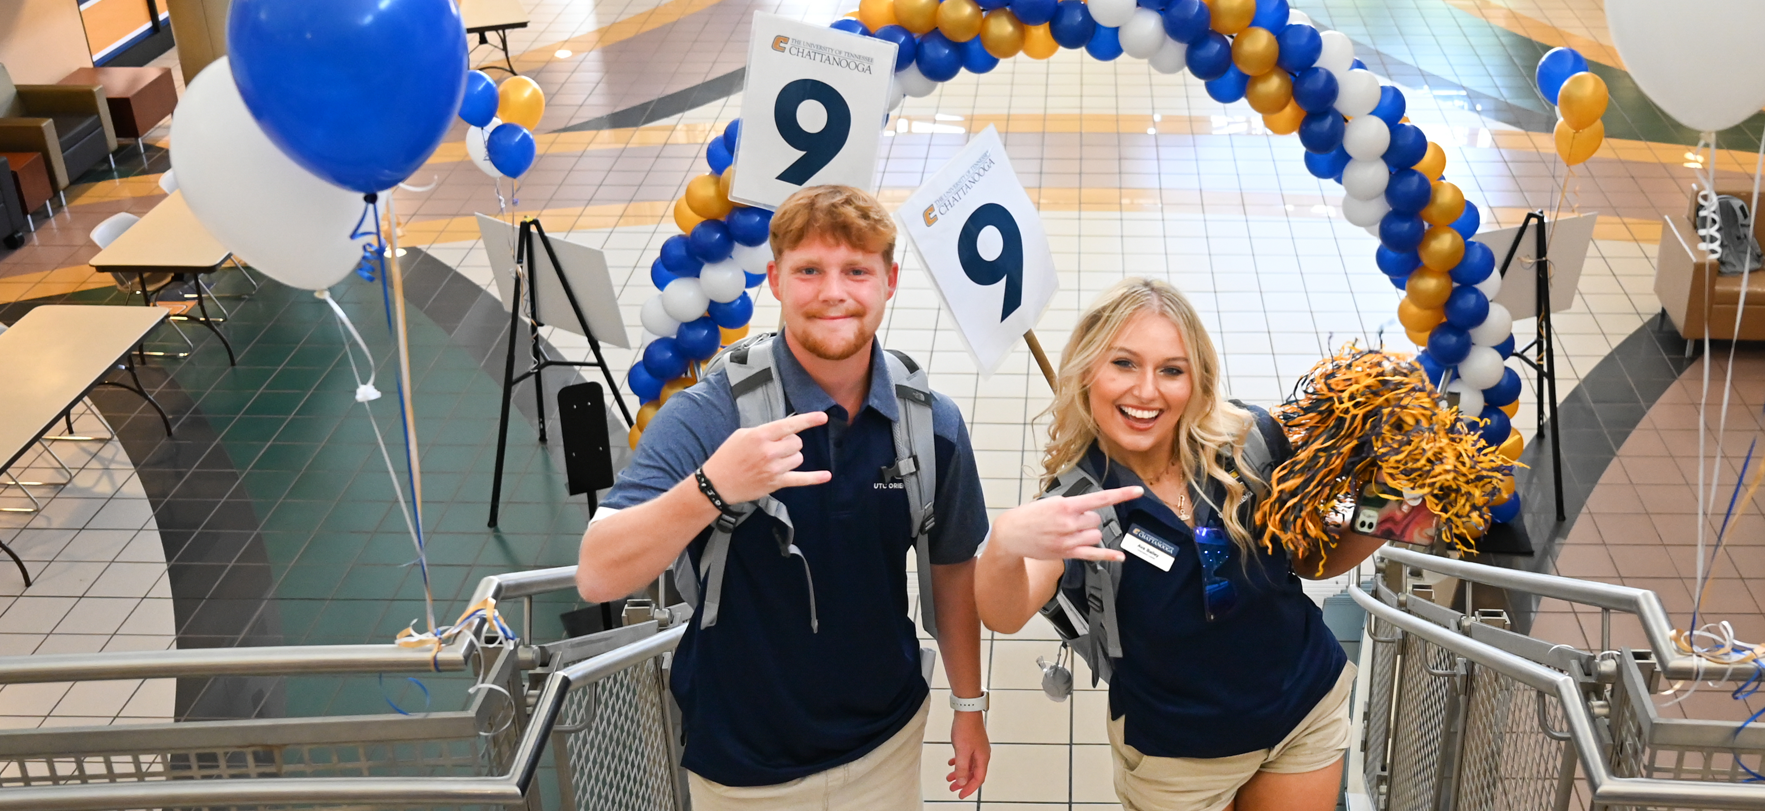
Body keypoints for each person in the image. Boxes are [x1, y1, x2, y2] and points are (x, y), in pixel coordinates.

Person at [578, 184, 992, 808]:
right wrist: (714, 488)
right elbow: (597, 573)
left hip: (888, 738)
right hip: (744, 768)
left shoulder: (929, 424)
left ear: (889, 281)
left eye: (856, 270)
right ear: (774, 280)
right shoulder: (710, 417)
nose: (833, 292)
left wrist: (968, 704)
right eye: (809, 271)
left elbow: (953, 567)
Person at [974, 278, 1387, 811]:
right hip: (1178, 759)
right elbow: (1002, 613)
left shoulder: (1249, 442)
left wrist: (1385, 506)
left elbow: (1312, 561)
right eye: (1123, 364)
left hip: (1305, 711)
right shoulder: (1078, 505)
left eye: (1171, 370)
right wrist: (1004, 543)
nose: (1146, 391)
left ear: (1197, 380)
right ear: (1086, 372)